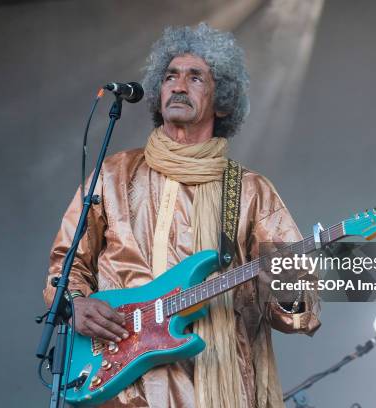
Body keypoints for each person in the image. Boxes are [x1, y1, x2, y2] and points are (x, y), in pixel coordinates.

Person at [44, 23, 320, 408]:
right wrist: (76, 302)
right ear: (158, 93)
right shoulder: (111, 174)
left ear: (222, 101)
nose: (178, 85)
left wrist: (289, 289)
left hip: (210, 381)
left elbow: (296, 310)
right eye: (170, 76)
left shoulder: (251, 191)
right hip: (114, 383)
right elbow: (67, 263)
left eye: (195, 77)